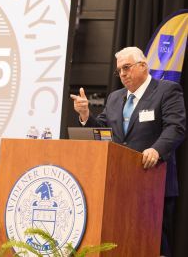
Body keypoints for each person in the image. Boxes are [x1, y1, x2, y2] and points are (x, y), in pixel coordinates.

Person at [70, 46, 186, 257]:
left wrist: (156, 150)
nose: (122, 74)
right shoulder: (115, 98)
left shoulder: (166, 91)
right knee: (121, 240)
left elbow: (176, 127)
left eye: (127, 68)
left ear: (143, 66)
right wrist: (86, 115)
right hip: (118, 185)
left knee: (154, 244)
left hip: (152, 182)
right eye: (119, 71)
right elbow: (103, 131)